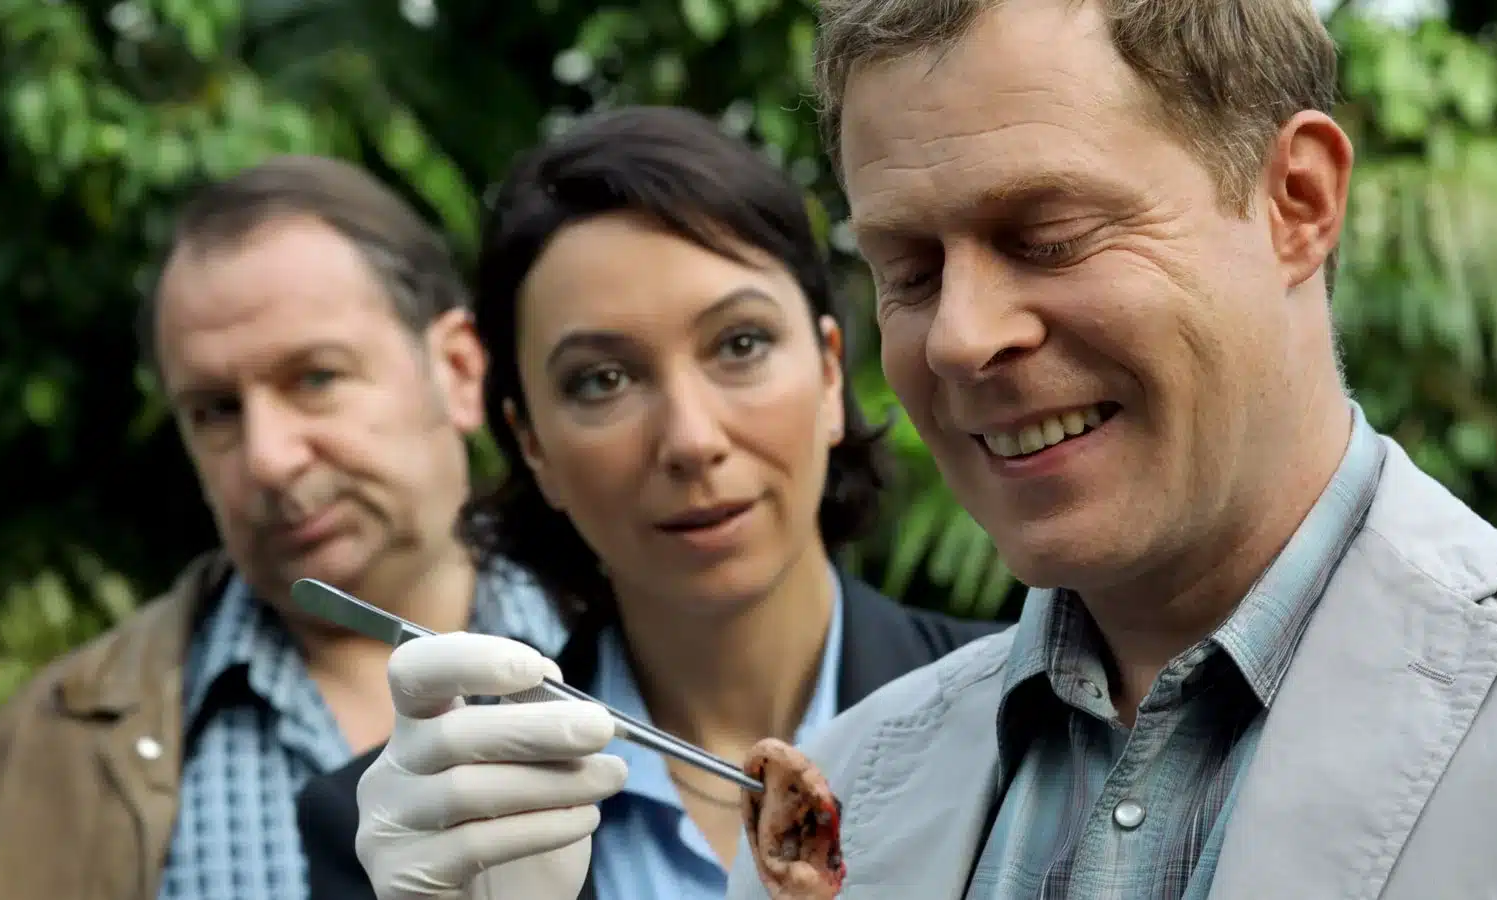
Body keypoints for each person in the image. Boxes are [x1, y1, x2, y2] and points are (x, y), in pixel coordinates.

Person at [345, 1, 1497, 899]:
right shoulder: (844, 787)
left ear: (1295, 203)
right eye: (908, 270)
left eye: (1049, 235)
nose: (960, 337)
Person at [295, 105, 1003, 900]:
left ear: (831, 372)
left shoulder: (1031, 721)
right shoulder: (421, 833)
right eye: (602, 380)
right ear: (532, 444)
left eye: (740, 344)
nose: (691, 440)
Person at [0, 156, 566, 900]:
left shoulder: (645, 654)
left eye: (316, 377)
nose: (267, 458)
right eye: (216, 411)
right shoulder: (33, 768)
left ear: (457, 371)